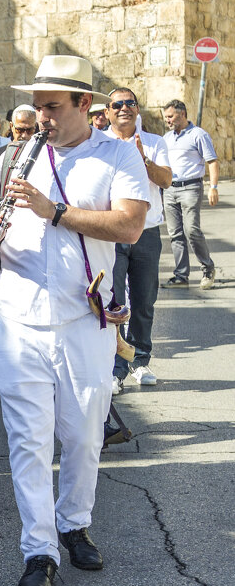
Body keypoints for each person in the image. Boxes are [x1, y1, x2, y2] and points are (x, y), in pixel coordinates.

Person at [0, 55, 148, 586]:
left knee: (82, 435)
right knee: (27, 441)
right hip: (20, 320)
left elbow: (131, 225)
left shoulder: (116, 154)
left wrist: (54, 213)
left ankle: (74, 521)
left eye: (52, 107)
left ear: (83, 106)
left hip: (85, 321)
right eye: (38, 106)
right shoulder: (12, 157)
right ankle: (39, 549)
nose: (40, 116)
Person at [105, 88, 172, 393]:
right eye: (117, 104)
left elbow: (166, 180)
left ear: (137, 109)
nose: (124, 108)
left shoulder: (156, 143)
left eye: (129, 103)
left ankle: (140, 360)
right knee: (114, 302)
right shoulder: (99, 143)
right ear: (107, 111)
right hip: (111, 232)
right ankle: (115, 367)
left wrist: (142, 158)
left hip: (147, 232)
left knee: (144, 300)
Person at [161, 99, 219, 290]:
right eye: (166, 117)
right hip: (170, 189)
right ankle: (181, 276)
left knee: (192, 230)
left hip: (191, 187)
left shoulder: (198, 135)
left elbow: (212, 161)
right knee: (175, 233)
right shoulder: (167, 138)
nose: (167, 120)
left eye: (170, 116)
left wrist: (213, 187)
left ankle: (207, 268)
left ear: (182, 114)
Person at [0, 105, 38, 189]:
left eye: (29, 130)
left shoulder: (42, 154)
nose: (24, 135)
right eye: (20, 130)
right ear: (11, 126)